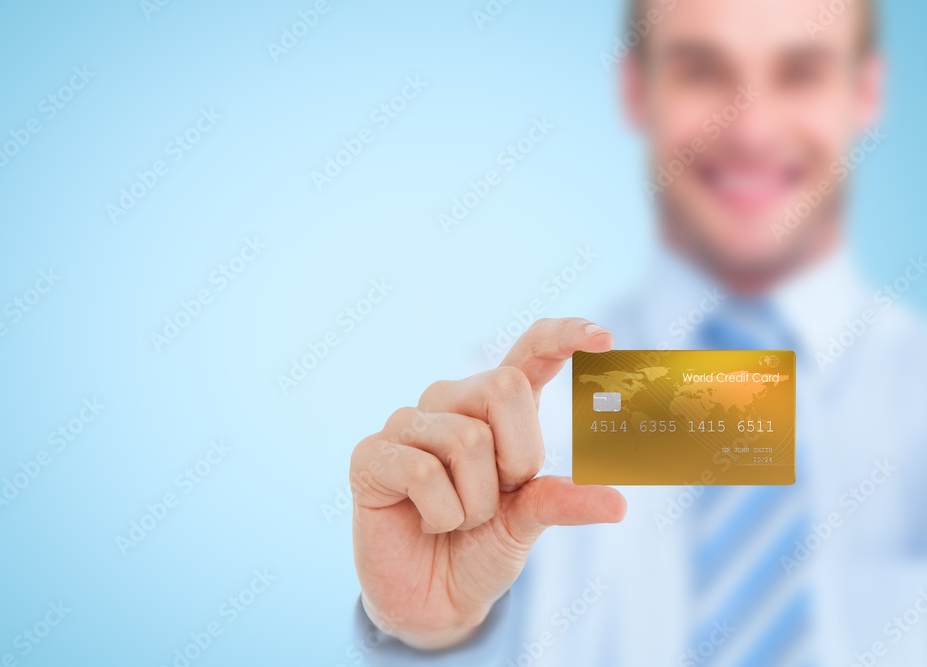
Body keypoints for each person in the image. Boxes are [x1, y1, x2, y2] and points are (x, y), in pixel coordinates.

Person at [348, 0, 927, 664]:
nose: (752, 128)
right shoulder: (511, 406)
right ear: (635, 89)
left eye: (801, 71)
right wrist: (425, 629)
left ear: (867, 91)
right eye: (700, 69)